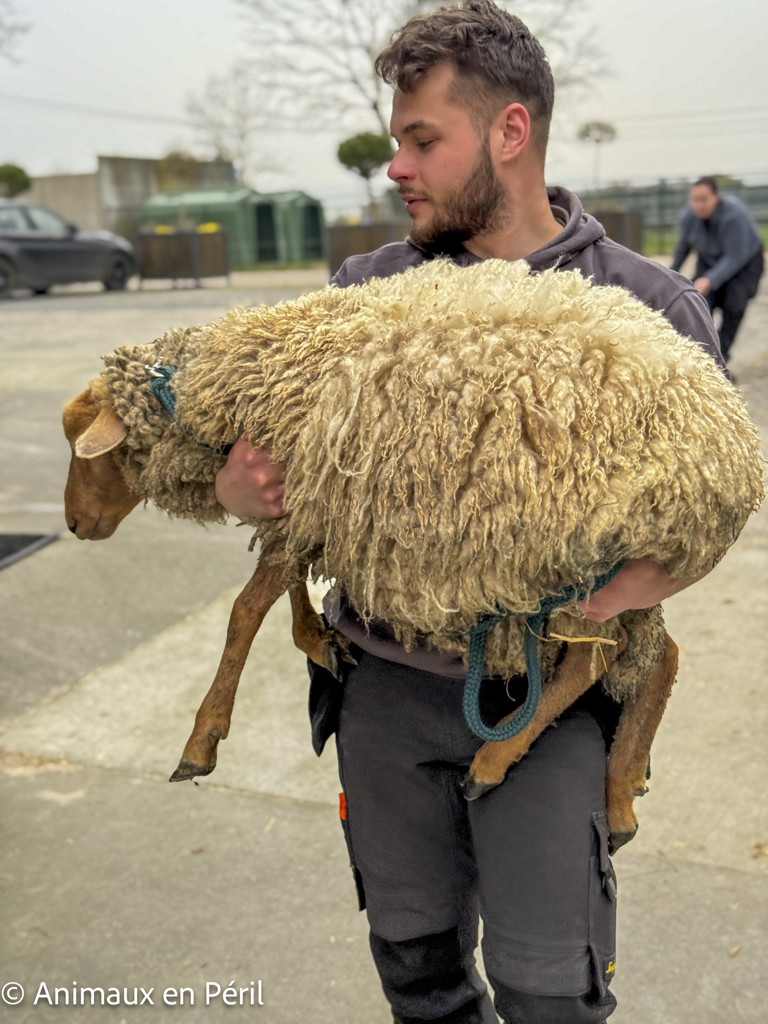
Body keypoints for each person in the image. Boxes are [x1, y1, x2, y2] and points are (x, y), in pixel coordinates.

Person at [216, 3, 725, 1021]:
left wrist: (628, 591)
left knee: (553, 992)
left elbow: (710, 502)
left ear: (509, 132)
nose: (397, 166)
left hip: (552, 703)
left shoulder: (644, 305)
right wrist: (242, 488)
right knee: (418, 971)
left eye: (422, 140)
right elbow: (250, 459)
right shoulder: (361, 295)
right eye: (397, 139)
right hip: (383, 695)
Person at [670, 176, 764, 365]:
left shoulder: (734, 216)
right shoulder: (688, 217)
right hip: (709, 261)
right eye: (694, 200)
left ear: (716, 197)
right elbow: (683, 249)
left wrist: (710, 279)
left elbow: (734, 256)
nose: (699, 205)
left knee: (734, 306)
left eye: (704, 200)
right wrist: (669, 276)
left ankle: (721, 360)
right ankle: (703, 356)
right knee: (699, 303)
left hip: (743, 265)